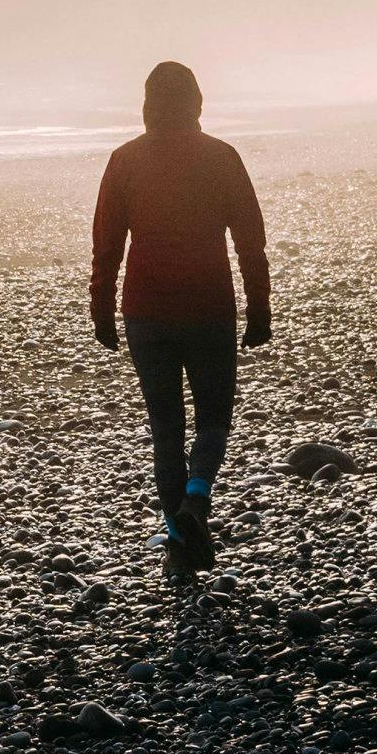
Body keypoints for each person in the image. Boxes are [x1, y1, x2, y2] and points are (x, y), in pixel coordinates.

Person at [90, 61, 270, 576]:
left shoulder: (125, 160)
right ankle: (197, 501)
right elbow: (250, 241)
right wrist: (259, 307)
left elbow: (107, 245)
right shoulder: (221, 157)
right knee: (214, 417)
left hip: (146, 310)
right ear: (196, 102)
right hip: (210, 306)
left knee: (164, 428)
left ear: (147, 104)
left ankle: (178, 539)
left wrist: (102, 307)